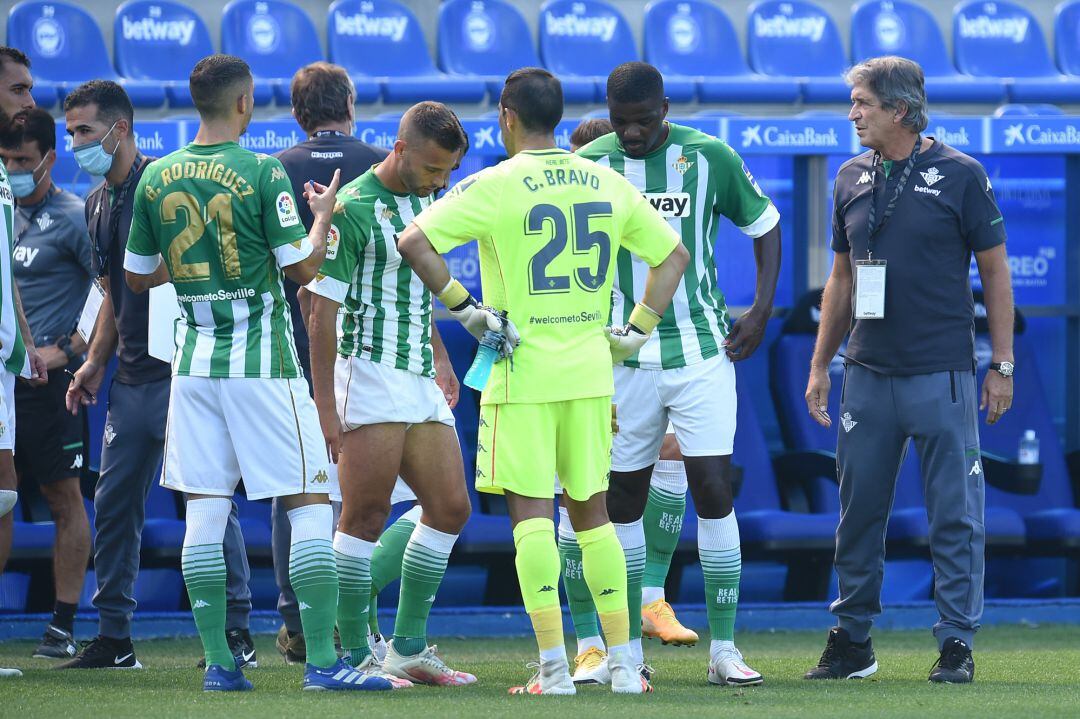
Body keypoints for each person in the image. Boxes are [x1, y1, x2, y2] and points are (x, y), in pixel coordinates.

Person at [398, 66, 689, 696]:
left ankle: (555, 670)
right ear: (559, 116)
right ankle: (625, 668)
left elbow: (413, 241)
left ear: (506, 114)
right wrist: (636, 332)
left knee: (531, 517)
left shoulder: (494, 184)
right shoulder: (604, 178)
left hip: (521, 373)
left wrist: (467, 310)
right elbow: (673, 258)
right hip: (591, 373)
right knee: (594, 517)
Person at [122, 53, 388, 692]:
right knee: (308, 504)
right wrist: (324, 215)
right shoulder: (262, 170)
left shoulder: (156, 177)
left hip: (192, 369)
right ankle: (324, 663)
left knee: (206, 514)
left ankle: (219, 665)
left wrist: (195, 276)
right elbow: (304, 268)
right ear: (243, 104)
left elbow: (134, 276)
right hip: (265, 366)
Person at [803, 56, 1013, 685]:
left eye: (862, 102)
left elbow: (996, 272)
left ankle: (955, 643)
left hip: (942, 373)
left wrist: (1000, 364)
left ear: (899, 109)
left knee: (955, 515)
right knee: (857, 511)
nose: (853, 113)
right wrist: (820, 365)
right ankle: (853, 641)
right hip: (865, 373)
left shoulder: (961, 175)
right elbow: (840, 280)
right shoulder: (849, 175)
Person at [573, 62, 781, 687]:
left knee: (714, 491)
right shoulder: (591, 164)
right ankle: (626, 653)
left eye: (643, 121)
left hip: (699, 353)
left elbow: (766, 226)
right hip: (621, 358)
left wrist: (761, 311)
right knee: (623, 501)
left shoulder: (709, 155)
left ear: (665, 108)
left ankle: (724, 650)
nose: (632, 134)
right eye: (620, 121)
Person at [60, 80, 254, 671]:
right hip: (130, 383)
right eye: (69, 133)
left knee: (206, 502)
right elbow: (114, 294)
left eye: (84, 132)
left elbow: (197, 271)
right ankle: (115, 637)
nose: (76, 144)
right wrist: (95, 360)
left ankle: (238, 629)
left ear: (120, 129)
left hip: (184, 372)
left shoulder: (163, 186)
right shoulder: (96, 203)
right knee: (115, 506)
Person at [308, 100, 475, 687]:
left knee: (451, 506)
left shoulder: (428, 201)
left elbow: (415, 289)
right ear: (399, 149)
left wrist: (442, 354)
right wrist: (325, 405)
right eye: (433, 168)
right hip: (367, 372)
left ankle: (405, 648)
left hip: (417, 372)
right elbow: (319, 311)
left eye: (449, 172)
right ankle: (353, 653)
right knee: (364, 516)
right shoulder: (353, 207)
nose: (441, 181)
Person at [269, 60, 387, 665]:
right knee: (366, 489)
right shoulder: (380, 162)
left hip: (290, 348)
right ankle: (356, 617)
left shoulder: (277, 168)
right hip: (368, 348)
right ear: (349, 102)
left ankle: (298, 621)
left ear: (297, 112)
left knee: (296, 489)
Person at [1, 107, 92, 659]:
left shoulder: (75, 217)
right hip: (2, 384)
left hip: (50, 388)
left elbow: (104, 296)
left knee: (65, 500)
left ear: (49, 160)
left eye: (24, 161)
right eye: (6, 159)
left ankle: (62, 624)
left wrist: (61, 352)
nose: (13, 170)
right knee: (2, 501)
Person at [0, 44, 48, 681]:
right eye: (18, 90)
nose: (29, 102)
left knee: (6, 496)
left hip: (5, 363)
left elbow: (5, 275)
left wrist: (27, 341)